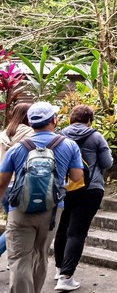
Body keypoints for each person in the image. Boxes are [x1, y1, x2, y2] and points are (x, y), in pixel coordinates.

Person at [0, 102, 84, 293]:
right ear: (53, 120)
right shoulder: (69, 145)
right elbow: (77, 177)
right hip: (52, 210)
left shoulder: (17, 148)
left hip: (20, 209)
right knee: (40, 255)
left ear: (30, 122)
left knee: (20, 259)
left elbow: (2, 182)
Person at [53, 105, 113, 291]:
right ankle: (66, 276)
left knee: (62, 229)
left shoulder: (59, 136)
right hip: (90, 189)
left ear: (71, 118)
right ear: (89, 120)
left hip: (64, 188)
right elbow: (107, 163)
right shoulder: (96, 137)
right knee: (76, 232)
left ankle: (59, 269)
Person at [0, 102, 34, 262]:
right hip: (20, 186)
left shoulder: (2, 135)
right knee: (16, 228)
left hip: (4, 185)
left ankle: (14, 260)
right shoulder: (31, 135)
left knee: (13, 225)